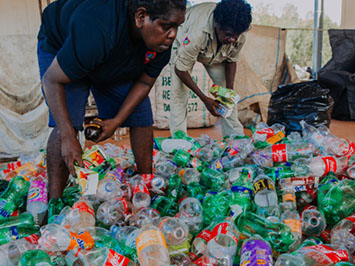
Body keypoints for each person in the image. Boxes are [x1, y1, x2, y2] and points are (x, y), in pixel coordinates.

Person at [37, 0, 186, 200]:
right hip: (63, 45)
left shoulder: (160, 42)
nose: (173, 35)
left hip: (106, 53)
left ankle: (145, 186)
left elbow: (143, 83)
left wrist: (115, 121)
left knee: (141, 114)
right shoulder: (98, 27)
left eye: (177, 27)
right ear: (141, 17)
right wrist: (67, 136)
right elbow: (52, 80)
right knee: (67, 121)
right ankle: (53, 204)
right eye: (167, 26)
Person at [169, 0, 252, 138]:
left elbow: (232, 60)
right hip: (185, 44)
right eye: (228, 34)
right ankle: (179, 140)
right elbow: (180, 69)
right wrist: (204, 99)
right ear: (217, 25)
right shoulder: (197, 33)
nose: (233, 39)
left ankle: (234, 137)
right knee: (179, 93)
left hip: (216, 53)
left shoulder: (239, 32)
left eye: (235, 36)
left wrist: (228, 93)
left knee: (229, 95)